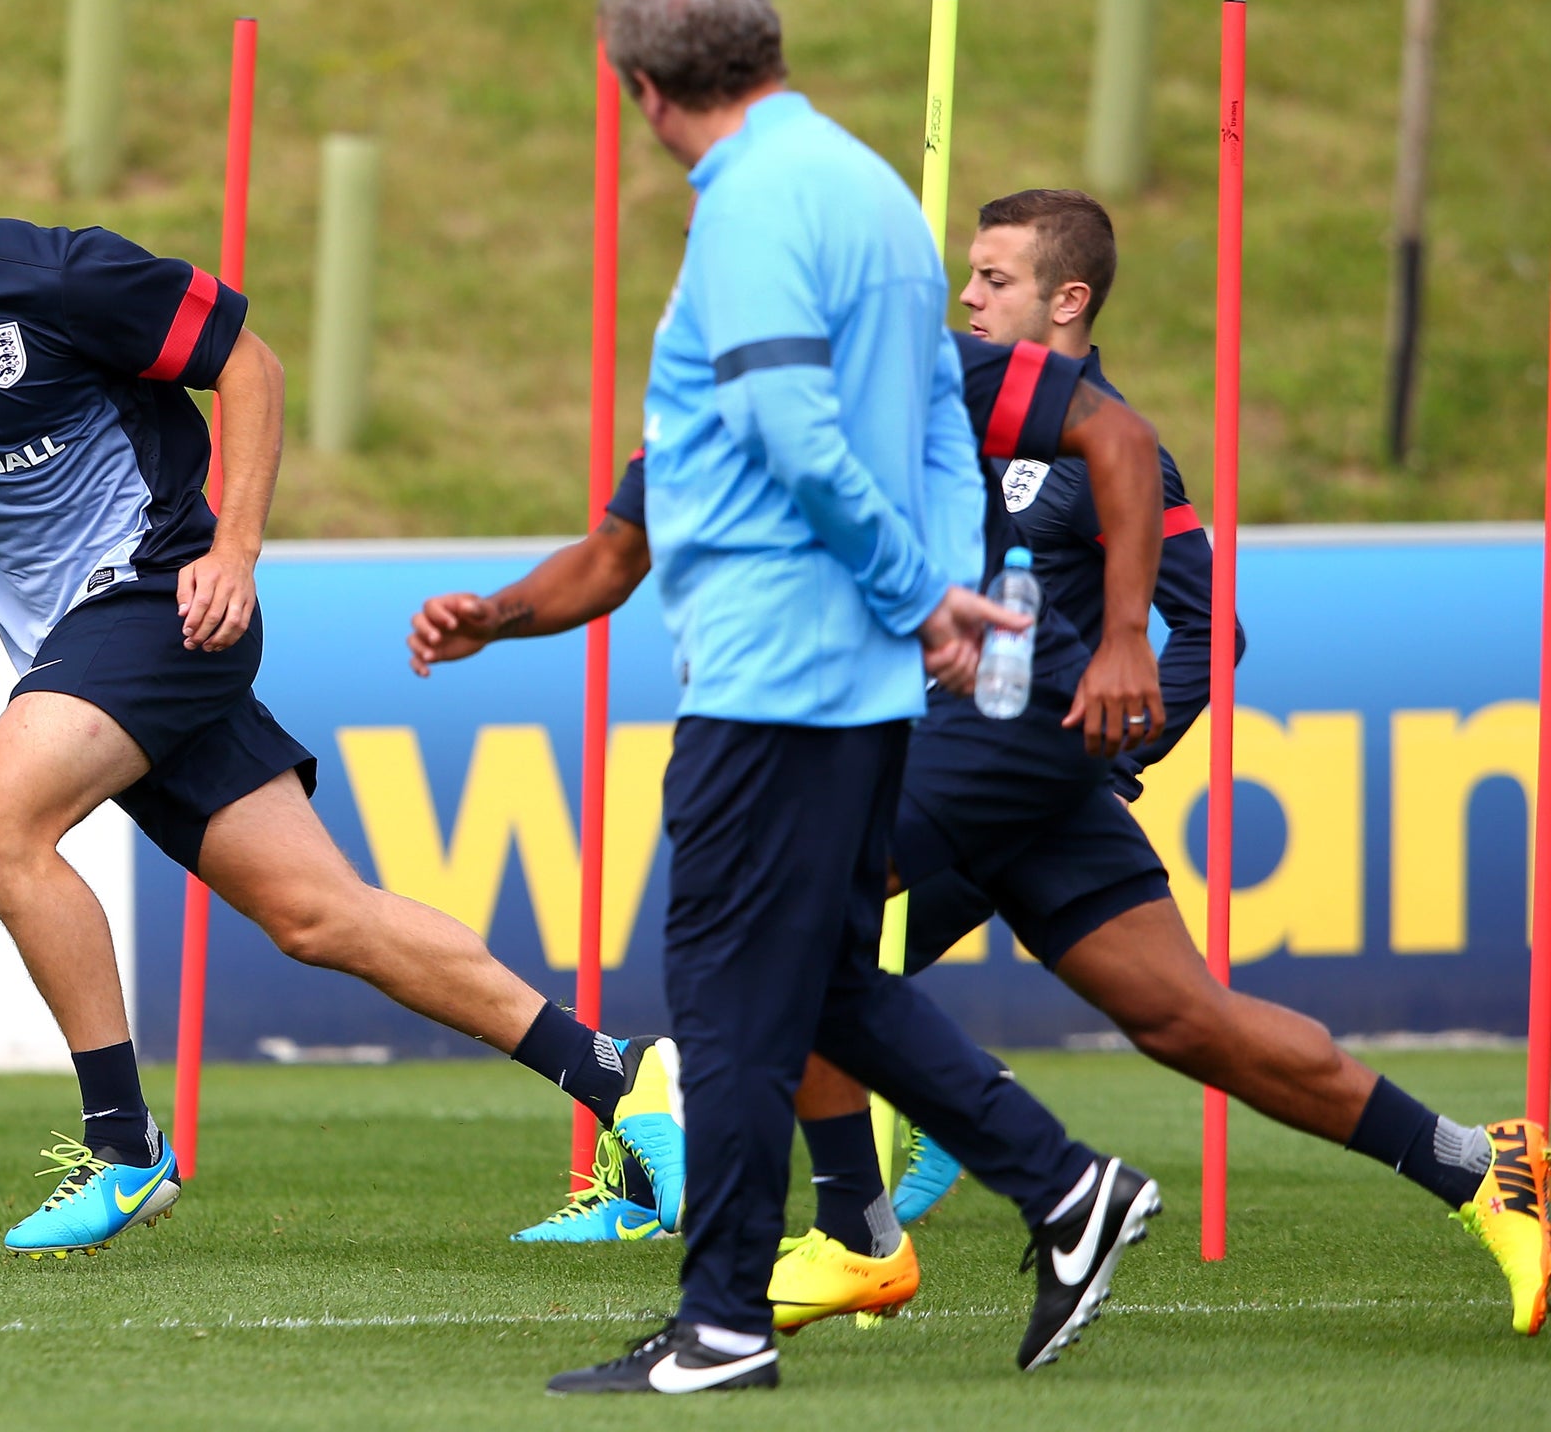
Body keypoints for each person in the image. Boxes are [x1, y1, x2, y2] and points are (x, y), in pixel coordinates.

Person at [417, 185, 1551, 1342]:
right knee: (1181, 1021)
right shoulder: (719, 388)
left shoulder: (945, 381)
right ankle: (1475, 1163)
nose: (965, 296)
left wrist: (1121, 706)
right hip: (953, 756)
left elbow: (1196, 597)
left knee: (775, 930)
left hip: (999, 741)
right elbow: (613, 552)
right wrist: (493, 616)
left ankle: (876, 1229)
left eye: (991, 279)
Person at [0, 68, 686, 1262]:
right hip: (84, 645)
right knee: (318, 915)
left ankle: (122, 1147)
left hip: (166, 600)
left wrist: (234, 549)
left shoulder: (59, 273)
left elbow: (250, 362)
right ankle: (621, 1080)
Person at [534, 0, 1166, 1394]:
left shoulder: (755, 205)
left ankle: (724, 1327)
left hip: (775, 671)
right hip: (859, 672)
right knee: (815, 981)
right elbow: (948, 427)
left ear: (640, 90)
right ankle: (1061, 1187)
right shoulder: (878, 190)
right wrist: (935, 589)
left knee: (726, 998)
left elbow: (789, 435)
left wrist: (912, 592)